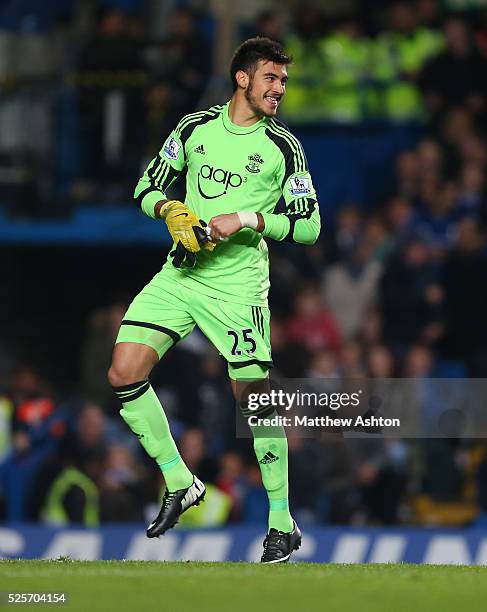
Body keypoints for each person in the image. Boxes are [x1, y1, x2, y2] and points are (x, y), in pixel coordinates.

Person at [107, 37, 321, 563]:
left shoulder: (283, 147)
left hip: (238, 286)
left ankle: (280, 522)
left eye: (284, 81)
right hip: (182, 273)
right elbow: (146, 186)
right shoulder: (194, 128)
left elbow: (310, 225)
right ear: (242, 78)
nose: (280, 90)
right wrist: (170, 211)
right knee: (123, 370)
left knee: (252, 400)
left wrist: (247, 219)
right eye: (271, 79)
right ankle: (181, 481)